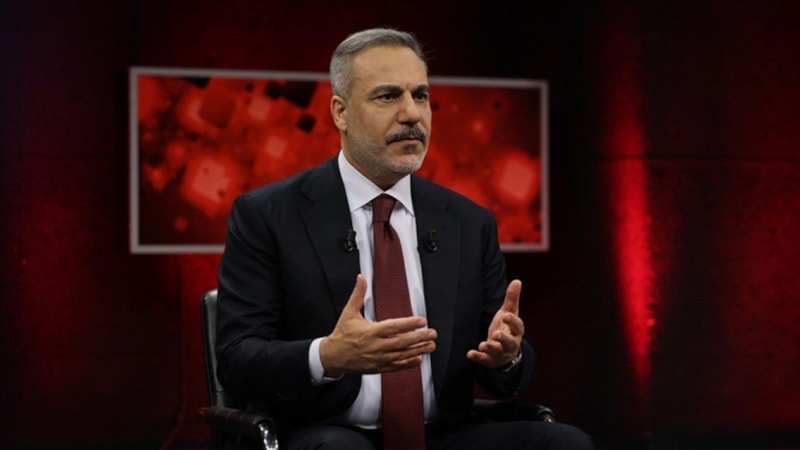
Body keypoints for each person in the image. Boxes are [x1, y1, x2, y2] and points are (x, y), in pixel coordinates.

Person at [215, 27, 593, 450]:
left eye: (421, 95)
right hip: (325, 430)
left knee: (564, 443)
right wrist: (327, 356)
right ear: (341, 112)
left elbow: (502, 374)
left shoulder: (469, 223)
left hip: (444, 433)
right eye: (388, 96)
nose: (412, 113)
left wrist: (508, 357)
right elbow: (236, 359)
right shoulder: (268, 215)